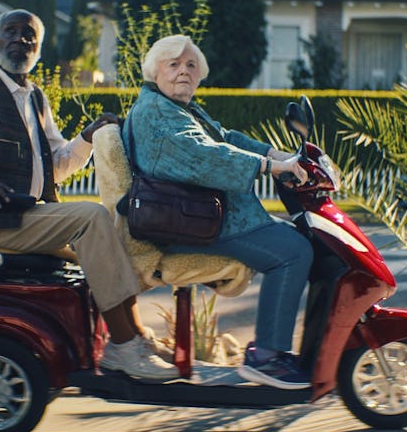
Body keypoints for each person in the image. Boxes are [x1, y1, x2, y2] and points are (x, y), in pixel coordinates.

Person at [0, 9, 177, 380]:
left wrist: (87, 137)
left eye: (29, 35)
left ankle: (133, 338)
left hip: (17, 217)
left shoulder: (34, 96)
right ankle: (123, 347)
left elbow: (55, 166)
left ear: (38, 48)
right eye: (11, 32)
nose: (20, 39)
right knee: (91, 218)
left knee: (112, 238)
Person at [122, 34, 313, 389]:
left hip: (204, 216)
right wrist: (267, 168)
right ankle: (268, 358)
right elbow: (202, 156)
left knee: (300, 238)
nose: (183, 72)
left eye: (191, 65)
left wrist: (277, 156)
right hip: (188, 224)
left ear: (199, 74)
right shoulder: (155, 112)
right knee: (294, 251)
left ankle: (279, 349)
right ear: (155, 71)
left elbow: (225, 137)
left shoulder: (178, 108)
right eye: (173, 64)